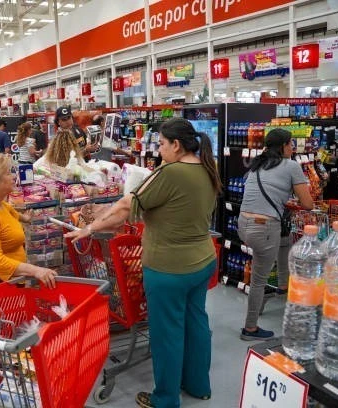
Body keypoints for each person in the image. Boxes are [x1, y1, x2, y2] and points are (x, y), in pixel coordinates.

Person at [66, 118, 222, 408]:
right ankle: (199, 385)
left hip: (169, 268)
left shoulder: (172, 172)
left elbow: (126, 206)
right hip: (202, 261)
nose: (159, 150)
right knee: (196, 322)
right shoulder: (206, 168)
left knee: (167, 334)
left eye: (162, 144)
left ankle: (165, 399)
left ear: (176, 145)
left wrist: (88, 228)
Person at [238, 128, 313, 341]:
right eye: (291, 144)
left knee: (283, 239)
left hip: (243, 224)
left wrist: (283, 203)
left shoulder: (257, 164)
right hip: (263, 228)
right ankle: (250, 328)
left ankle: (282, 285)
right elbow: (307, 204)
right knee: (259, 280)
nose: (293, 148)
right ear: (282, 146)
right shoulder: (291, 166)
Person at [0, 153, 58, 292]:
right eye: (8, 173)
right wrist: (35, 270)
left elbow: (10, 211)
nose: (14, 176)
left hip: (8, 281)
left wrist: (25, 218)